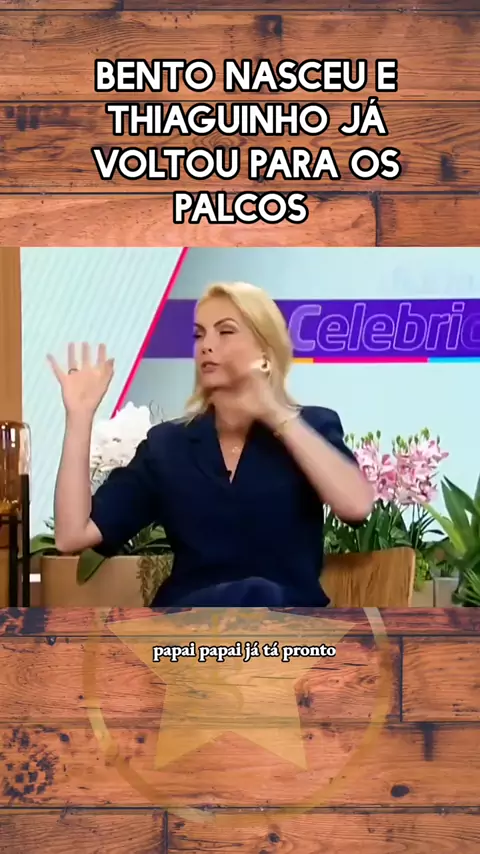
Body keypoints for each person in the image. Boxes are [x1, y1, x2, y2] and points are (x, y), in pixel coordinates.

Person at [49, 281, 373, 608]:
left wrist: (276, 414)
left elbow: (356, 506)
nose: (206, 345)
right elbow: (72, 535)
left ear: (265, 351)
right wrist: (79, 416)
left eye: (225, 332)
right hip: (190, 625)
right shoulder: (168, 446)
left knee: (259, 594)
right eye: (199, 335)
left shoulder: (312, 426)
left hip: (286, 627)